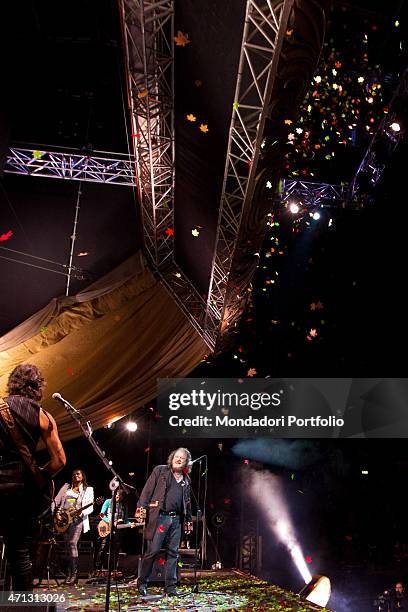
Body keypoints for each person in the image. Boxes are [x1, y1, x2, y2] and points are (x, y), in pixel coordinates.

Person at [0, 363, 66, 591]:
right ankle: (21, 605)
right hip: (22, 492)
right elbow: (60, 460)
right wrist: (38, 475)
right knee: (19, 554)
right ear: (37, 387)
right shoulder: (43, 416)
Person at [133, 448, 193, 597]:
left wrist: (188, 520)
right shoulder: (160, 471)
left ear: (186, 463)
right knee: (152, 551)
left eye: (182, 458)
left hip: (177, 520)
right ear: (172, 457)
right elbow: (147, 491)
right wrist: (141, 509)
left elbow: (187, 502)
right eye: (177, 457)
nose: (178, 459)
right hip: (160, 517)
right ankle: (142, 583)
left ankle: (171, 588)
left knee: (173, 553)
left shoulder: (186, 480)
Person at [54, 469, 94, 584]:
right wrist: (56, 514)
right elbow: (56, 501)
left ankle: (74, 575)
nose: (76, 475)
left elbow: (90, 506)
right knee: (67, 546)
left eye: (78, 473)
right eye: (74, 474)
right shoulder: (66, 488)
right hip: (64, 521)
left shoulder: (88, 490)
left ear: (83, 476)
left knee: (72, 543)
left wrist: (82, 513)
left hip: (77, 520)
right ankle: (69, 574)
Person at [94, 488, 134, 574]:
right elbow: (101, 514)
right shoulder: (108, 502)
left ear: (122, 497)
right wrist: (109, 521)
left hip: (117, 529)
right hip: (107, 527)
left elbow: (126, 520)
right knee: (103, 547)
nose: (117, 497)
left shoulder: (124, 506)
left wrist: (131, 524)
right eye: (116, 495)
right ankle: (98, 569)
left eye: (120, 496)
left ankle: (113, 569)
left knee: (116, 549)